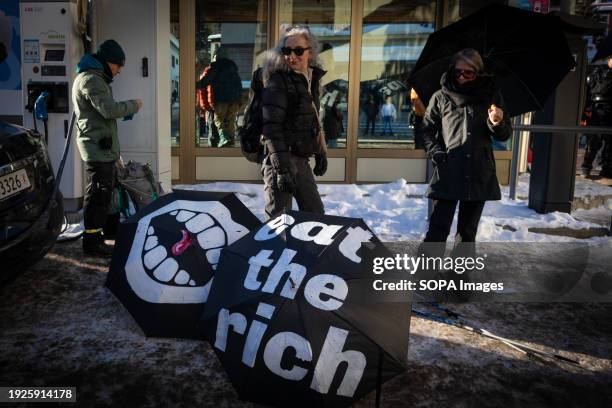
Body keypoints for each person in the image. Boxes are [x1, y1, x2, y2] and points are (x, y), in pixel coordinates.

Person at [421, 48, 511, 254]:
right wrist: (436, 153)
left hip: (478, 170)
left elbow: (504, 135)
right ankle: (426, 272)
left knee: (467, 233)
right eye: (458, 72)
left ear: (478, 72)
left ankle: (459, 277)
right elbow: (426, 130)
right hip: (449, 168)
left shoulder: (491, 96)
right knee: (437, 229)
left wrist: (496, 122)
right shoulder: (441, 97)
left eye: (468, 73)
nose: (461, 76)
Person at [72, 39, 142, 257]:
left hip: (104, 147)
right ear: (108, 61)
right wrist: (133, 105)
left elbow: (103, 112)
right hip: (96, 150)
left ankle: (109, 230)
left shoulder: (96, 78)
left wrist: (125, 111)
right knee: (97, 195)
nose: (119, 71)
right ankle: (92, 241)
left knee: (108, 192)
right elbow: (108, 109)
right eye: (118, 65)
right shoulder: (91, 80)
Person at [260, 26, 327, 220]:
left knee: (316, 216)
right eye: (287, 51)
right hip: (278, 160)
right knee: (279, 222)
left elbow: (313, 119)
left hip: (300, 159)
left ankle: (309, 251)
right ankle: (273, 251)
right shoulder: (277, 81)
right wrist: (281, 169)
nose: (292, 56)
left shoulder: (311, 78)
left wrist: (320, 151)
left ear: (310, 52)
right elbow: (271, 128)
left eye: (298, 50)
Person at [197, 47, 242, 147]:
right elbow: (239, 84)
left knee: (219, 119)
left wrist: (197, 85)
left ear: (217, 56)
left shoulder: (216, 66)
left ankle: (223, 138)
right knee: (230, 119)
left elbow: (207, 80)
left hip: (222, 98)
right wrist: (239, 100)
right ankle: (231, 140)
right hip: (234, 99)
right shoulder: (233, 68)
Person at [581, 56, 612, 178]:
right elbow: (588, 91)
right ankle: (586, 166)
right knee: (595, 139)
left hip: (606, 109)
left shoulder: (596, 72)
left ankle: (606, 168)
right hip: (596, 109)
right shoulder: (597, 72)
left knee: (608, 141)